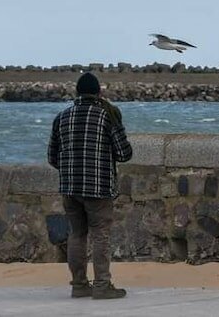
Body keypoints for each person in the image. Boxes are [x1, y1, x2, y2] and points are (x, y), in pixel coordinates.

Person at [47, 72, 133, 299]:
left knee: (77, 234)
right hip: (98, 188)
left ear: (77, 92)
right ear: (98, 93)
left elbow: (52, 157)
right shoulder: (107, 116)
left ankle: (79, 284)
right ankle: (102, 285)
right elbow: (124, 154)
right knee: (100, 236)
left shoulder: (61, 117)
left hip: (70, 188)